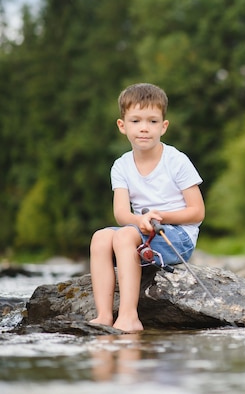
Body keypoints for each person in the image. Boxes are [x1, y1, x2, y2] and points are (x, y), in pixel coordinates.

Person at [89, 83, 205, 332]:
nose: (144, 128)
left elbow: (197, 212)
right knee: (100, 238)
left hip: (177, 236)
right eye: (136, 120)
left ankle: (130, 316)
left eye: (152, 121)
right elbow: (121, 214)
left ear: (163, 126)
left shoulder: (177, 161)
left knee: (126, 236)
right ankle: (104, 315)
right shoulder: (121, 166)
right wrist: (139, 221)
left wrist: (159, 216)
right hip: (141, 230)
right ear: (123, 126)